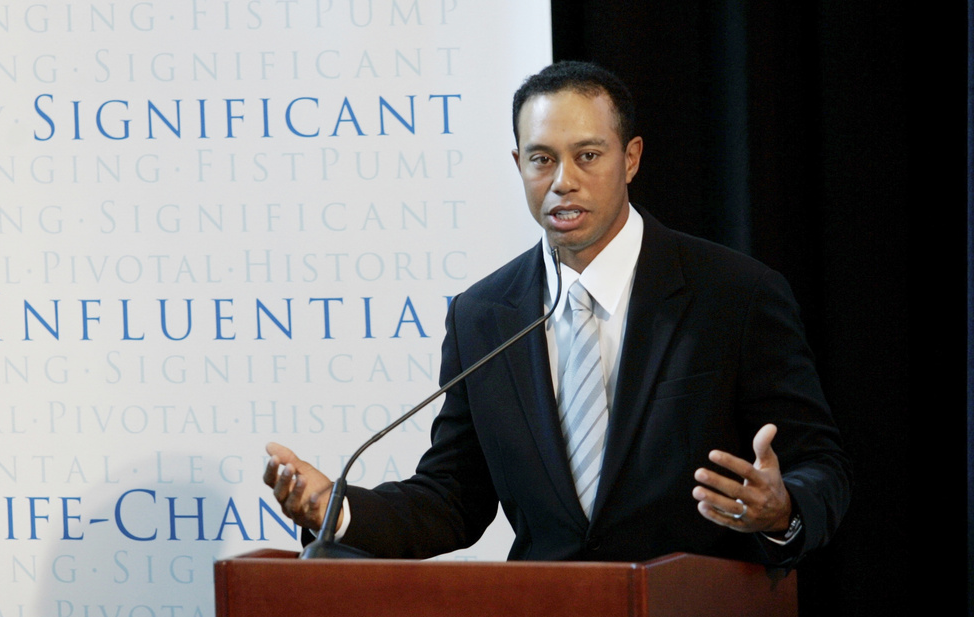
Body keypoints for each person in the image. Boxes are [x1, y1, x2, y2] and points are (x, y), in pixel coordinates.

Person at [263, 61, 851, 566]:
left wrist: (783, 510)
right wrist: (335, 511)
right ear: (519, 163)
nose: (562, 182)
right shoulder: (484, 316)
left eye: (587, 155)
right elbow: (452, 499)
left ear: (631, 158)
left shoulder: (735, 294)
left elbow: (819, 465)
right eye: (542, 159)